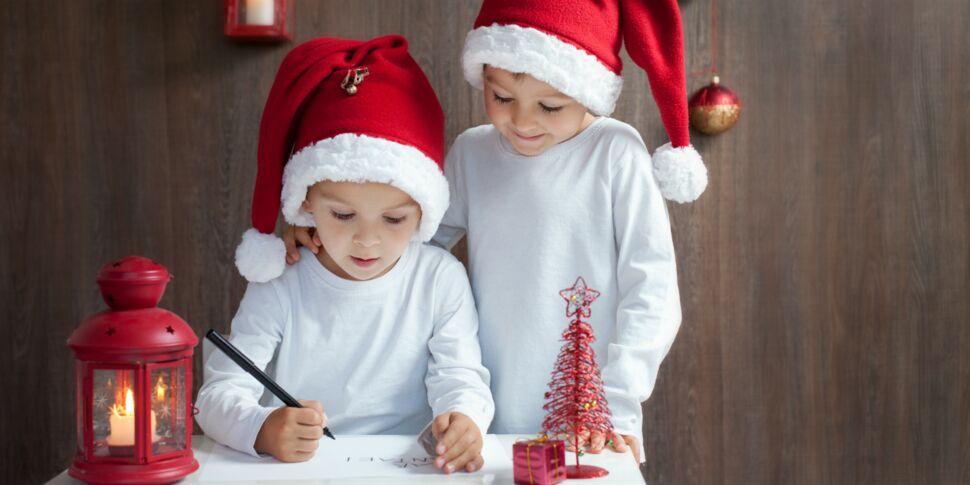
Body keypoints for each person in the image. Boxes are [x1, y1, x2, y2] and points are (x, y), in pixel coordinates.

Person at [196, 35, 493, 475]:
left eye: (394, 220)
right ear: (306, 203)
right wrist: (262, 427)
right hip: (304, 470)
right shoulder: (283, 279)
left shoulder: (439, 278)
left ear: (425, 211)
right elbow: (217, 395)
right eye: (342, 214)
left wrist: (464, 419)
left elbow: (460, 375)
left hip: (412, 469)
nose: (367, 241)